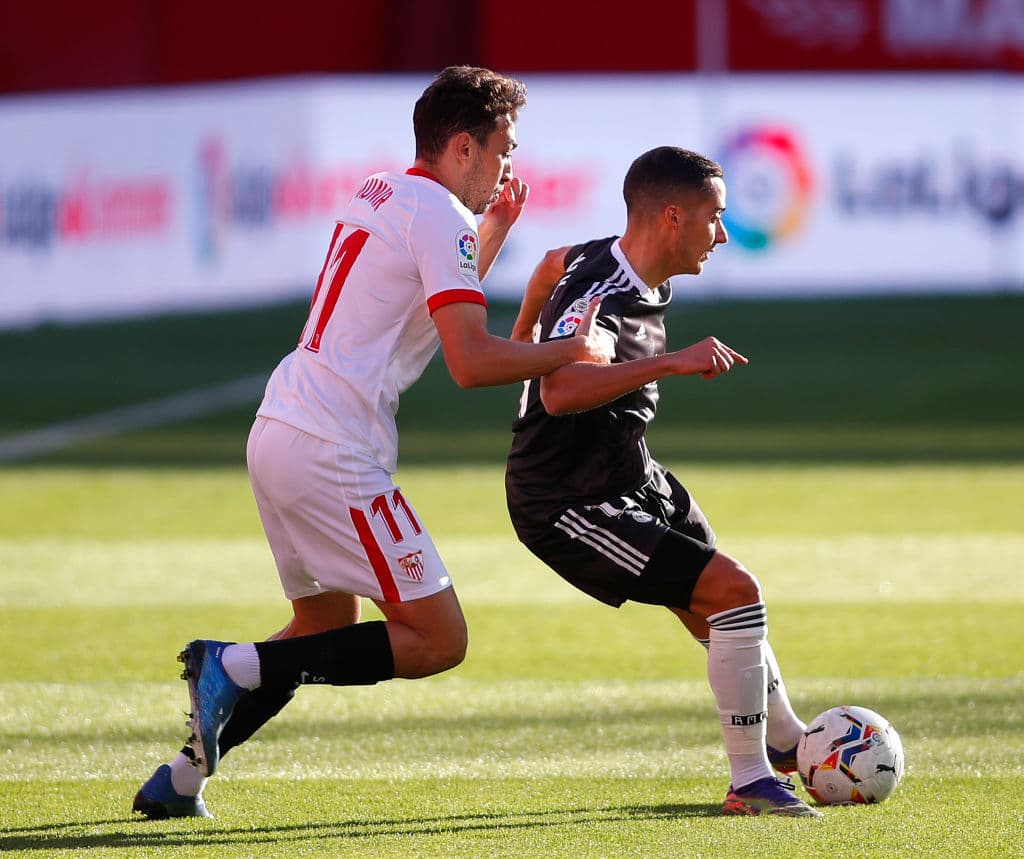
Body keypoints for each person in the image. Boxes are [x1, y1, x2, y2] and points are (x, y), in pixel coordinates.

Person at [132, 65, 612, 820]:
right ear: (462, 147)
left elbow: (427, 302)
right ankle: (229, 662)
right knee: (437, 638)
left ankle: (182, 777)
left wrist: (493, 231)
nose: (510, 165)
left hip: (281, 428)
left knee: (324, 629)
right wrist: (571, 351)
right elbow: (470, 360)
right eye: (503, 148)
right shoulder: (439, 216)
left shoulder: (383, 190)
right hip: (334, 449)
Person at [504, 146, 821, 817]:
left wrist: (523, 338)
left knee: (720, 601)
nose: (725, 234)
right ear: (673, 217)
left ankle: (788, 739)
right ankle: (750, 779)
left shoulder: (619, 263)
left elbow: (545, 266)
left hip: (631, 469)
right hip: (567, 497)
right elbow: (560, 392)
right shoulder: (607, 299)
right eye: (716, 218)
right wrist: (672, 363)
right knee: (733, 589)